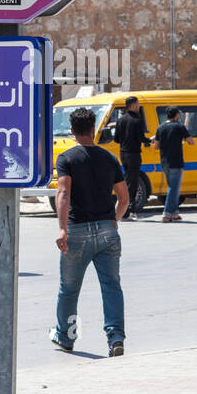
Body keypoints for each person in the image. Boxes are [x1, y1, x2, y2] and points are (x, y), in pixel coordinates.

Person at [51, 106, 128, 357]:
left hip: (77, 231)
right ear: (94, 129)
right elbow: (124, 199)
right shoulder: (110, 158)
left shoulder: (66, 159)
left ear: (72, 131)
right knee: (111, 286)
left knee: (69, 289)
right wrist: (112, 220)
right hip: (107, 230)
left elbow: (63, 193)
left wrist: (62, 228)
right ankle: (116, 338)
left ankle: (67, 336)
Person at [152, 107, 194, 222]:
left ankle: (175, 213)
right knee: (173, 188)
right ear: (176, 115)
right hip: (176, 162)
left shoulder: (160, 127)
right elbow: (191, 142)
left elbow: (156, 146)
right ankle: (166, 214)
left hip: (164, 162)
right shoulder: (179, 127)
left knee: (174, 187)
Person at [113, 95, 150, 219]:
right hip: (134, 154)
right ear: (133, 105)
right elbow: (141, 138)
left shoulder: (120, 120)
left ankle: (130, 210)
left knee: (128, 180)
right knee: (132, 183)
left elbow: (116, 139)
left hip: (123, 154)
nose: (139, 106)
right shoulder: (137, 120)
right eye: (138, 104)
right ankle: (127, 211)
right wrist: (149, 140)